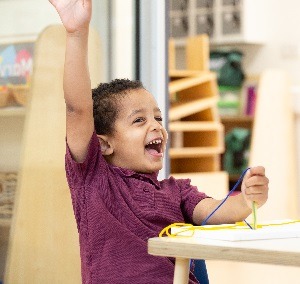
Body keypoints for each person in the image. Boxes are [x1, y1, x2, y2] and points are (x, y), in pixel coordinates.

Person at [49, 0, 269, 283]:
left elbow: (217, 210)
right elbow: (77, 109)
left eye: (158, 118)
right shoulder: (94, 179)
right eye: (139, 120)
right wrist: (76, 33)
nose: (155, 126)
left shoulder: (177, 191)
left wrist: (248, 200)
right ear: (104, 144)